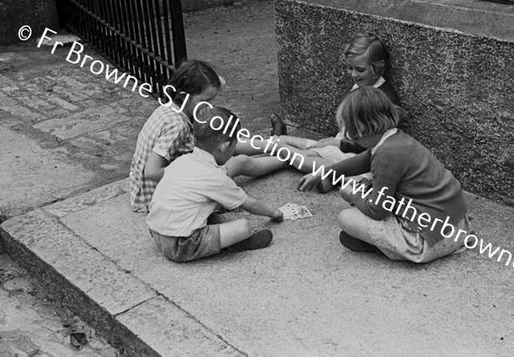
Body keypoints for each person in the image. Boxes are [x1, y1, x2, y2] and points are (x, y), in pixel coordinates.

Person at [298, 87, 473, 263]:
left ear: (362, 129)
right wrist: (323, 173)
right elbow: (361, 161)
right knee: (364, 189)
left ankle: (390, 248)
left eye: (351, 133)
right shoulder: (394, 138)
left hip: (430, 241)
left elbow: (378, 210)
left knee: (346, 218)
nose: (350, 138)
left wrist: (353, 194)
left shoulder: (386, 155)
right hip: (458, 226)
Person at [237, 34, 406, 181]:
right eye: (350, 68)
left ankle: (237, 158)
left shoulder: (381, 98)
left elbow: (375, 143)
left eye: (360, 69)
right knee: (282, 143)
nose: (353, 74)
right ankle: (234, 148)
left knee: (289, 153)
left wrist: (338, 144)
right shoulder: (362, 85)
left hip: (351, 160)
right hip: (335, 146)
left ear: (378, 66)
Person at [130, 60, 289, 212]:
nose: (210, 105)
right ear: (186, 96)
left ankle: (275, 144)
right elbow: (152, 172)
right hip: (159, 197)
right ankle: (288, 160)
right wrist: (193, 175)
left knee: (223, 143)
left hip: (157, 185)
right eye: (206, 100)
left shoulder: (171, 108)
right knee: (240, 162)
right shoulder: (177, 125)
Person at [147, 107, 284, 262]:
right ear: (224, 147)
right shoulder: (215, 177)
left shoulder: (182, 161)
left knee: (215, 213)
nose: (233, 152)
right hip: (181, 245)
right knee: (243, 226)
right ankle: (232, 243)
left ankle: (224, 240)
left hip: (156, 231)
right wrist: (274, 213)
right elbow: (250, 204)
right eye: (233, 147)